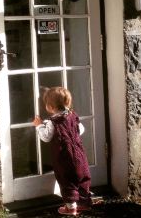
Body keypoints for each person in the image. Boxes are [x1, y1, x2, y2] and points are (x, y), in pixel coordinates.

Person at [33, 87, 91, 216]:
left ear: (51, 107)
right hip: (78, 153)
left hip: (64, 156)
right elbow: (81, 129)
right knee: (82, 176)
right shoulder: (72, 115)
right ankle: (84, 203)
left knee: (67, 179)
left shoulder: (53, 122)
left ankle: (71, 208)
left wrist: (39, 125)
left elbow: (46, 137)